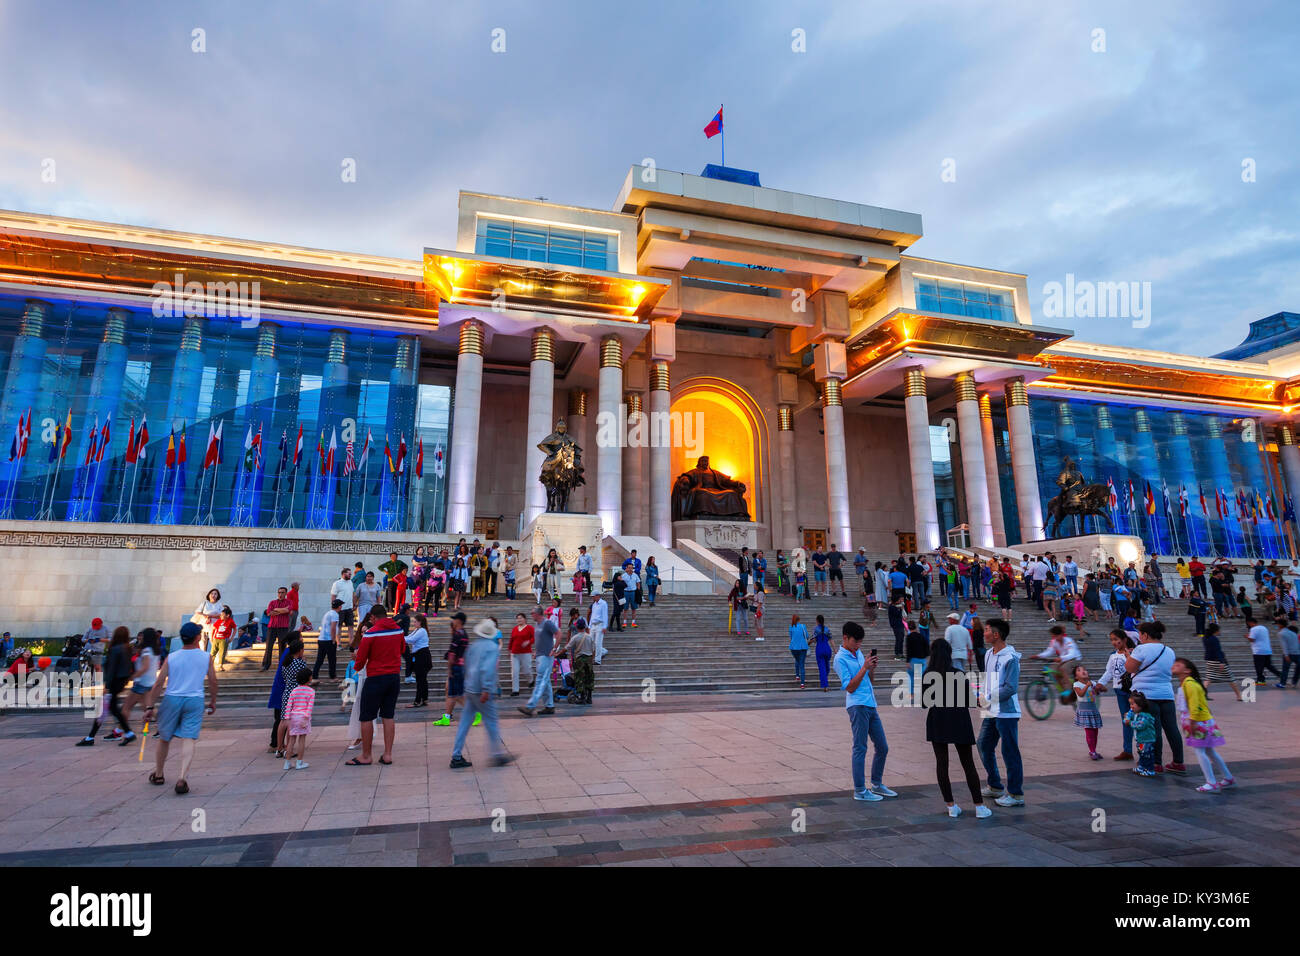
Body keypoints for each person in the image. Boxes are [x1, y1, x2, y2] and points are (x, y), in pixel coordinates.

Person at [142, 622, 217, 795]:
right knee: (189, 738)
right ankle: (182, 777)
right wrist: (213, 700)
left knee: (164, 737)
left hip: (172, 698)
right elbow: (213, 680)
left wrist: (149, 706)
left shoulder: (172, 657)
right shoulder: (206, 657)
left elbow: (159, 683)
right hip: (195, 699)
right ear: (197, 637)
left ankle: (159, 774)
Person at [922, 637, 990, 818]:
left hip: (938, 720)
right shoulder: (958, 674)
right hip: (959, 720)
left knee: (941, 764)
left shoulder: (928, 674)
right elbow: (969, 701)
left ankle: (951, 806)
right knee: (968, 763)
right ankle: (979, 807)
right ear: (949, 654)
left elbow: (923, 703)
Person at [833, 621, 896, 802]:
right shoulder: (840, 659)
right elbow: (850, 687)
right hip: (857, 705)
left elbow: (869, 680)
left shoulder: (858, 653)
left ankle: (876, 783)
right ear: (845, 638)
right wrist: (864, 668)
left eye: (860, 642)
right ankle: (860, 789)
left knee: (882, 746)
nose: (858, 645)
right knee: (860, 747)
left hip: (870, 703)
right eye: (856, 642)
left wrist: (871, 668)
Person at [1122, 620, 1186, 774]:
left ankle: (1156, 762)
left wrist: (1129, 656)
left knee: (1153, 728)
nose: (1139, 637)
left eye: (1140, 634)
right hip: (1166, 693)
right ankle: (1178, 762)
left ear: (1145, 634)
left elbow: (1130, 668)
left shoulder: (1141, 649)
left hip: (1146, 694)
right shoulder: (1169, 650)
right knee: (1171, 728)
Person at [450, 619, 514, 768]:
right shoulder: (491, 647)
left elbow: (466, 665)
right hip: (481, 690)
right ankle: (497, 754)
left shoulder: (474, 646)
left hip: (470, 688)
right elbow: (487, 669)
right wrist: (486, 688)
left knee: (465, 723)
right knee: (491, 721)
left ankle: (456, 755)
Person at [976, 618, 1024, 807]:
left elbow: (1010, 687)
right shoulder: (988, 653)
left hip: (1007, 712)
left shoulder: (1010, 658)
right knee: (983, 745)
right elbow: (989, 680)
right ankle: (995, 785)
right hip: (991, 709)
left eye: (987, 630)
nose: (984, 632)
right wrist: (980, 694)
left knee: (1009, 751)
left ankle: (1015, 793)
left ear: (996, 634)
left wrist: (989, 698)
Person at [346, 616, 405, 766]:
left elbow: (361, 658)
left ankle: (366, 755)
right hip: (393, 677)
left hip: (375, 678)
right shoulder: (398, 630)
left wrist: (356, 664)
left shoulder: (371, 633)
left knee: (366, 716)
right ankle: (388, 755)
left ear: (373, 617)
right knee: (388, 715)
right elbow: (403, 649)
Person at [1172, 658, 1234, 792]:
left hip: (1198, 722)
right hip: (1202, 720)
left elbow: (1195, 705)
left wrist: (1193, 722)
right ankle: (1227, 777)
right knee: (1210, 751)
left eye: (1178, 665)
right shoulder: (1188, 683)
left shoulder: (1189, 684)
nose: (1173, 666)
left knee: (1200, 751)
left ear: (1187, 670)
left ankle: (1211, 782)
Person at [77, 626, 136, 747]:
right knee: (113, 710)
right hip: (121, 682)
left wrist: (106, 686)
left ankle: (90, 738)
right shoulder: (127, 648)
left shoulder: (115, 649)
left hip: (113, 683)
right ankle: (128, 733)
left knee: (102, 709)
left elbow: (111, 669)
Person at [518, 605, 559, 717]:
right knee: (546, 682)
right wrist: (536, 651)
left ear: (538, 614)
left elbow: (558, 633)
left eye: (532, 613)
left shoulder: (547, 623)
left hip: (547, 656)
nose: (531, 615)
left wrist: (554, 648)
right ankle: (549, 706)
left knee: (540, 681)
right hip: (540, 655)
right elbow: (540, 639)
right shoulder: (537, 624)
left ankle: (530, 706)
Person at [272, 635, 309, 757]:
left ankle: (279, 748)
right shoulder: (299, 663)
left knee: (283, 721)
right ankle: (289, 748)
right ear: (299, 650)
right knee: (291, 722)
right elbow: (305, 677)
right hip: (297, 694)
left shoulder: (285, 663)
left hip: (287, 692)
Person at [433, 612, 470, 726]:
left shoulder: (458, 635)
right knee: (450, 691)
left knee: (456, 694)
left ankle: (474, 712)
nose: (453, 621)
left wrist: (449, 669)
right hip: (461, 666)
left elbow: (452, 654)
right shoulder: (464, 634)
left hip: (456, 667)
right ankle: (447, 717)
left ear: (459, 621)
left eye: (454, 619)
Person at [119, 629, 162, 729]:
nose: (140, 637)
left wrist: (133, 676)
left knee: (126, 707)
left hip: (141, 683)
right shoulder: (155, 650)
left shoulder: (147, 651)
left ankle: (120, 731)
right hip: (149, 682)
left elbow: (145, 667)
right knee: (148, 707)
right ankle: (162, 727)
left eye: (142, 636)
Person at [1071, 663, 1106, 760]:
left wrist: (1099, 688)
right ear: (1076, 676)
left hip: (1093, 709)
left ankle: (1094, 750)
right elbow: (1081, 694)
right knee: (1089, 732)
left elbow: (1104, 689)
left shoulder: (1093, 683)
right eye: (1079, 670)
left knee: (1095, 731)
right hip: (1084, 711)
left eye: (1084, 669)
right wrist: (1087, 685)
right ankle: (1092, 751)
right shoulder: (1076, 684)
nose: (1083, 671)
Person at [558, 616, 596, 705]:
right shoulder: (589, 637)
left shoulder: (575, 637)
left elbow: (567, 648)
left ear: (577, 627)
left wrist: (558, 653)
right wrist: (592, 659)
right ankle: (589, 697)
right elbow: (594, 649)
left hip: (580, 660)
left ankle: (582, 698)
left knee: (580, 678)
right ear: (584, 627)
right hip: (589, 659)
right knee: (589, 678)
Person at [282, 670, 314, 771]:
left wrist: (287, 718)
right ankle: (299, 762)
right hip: (303, 717)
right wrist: (306, 718)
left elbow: (288, 706)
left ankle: (287, 763)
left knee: (291, 740)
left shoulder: (294, 691)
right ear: (309, 678)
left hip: (293, 717)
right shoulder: (311, 691)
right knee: (302, 740)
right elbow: (309, 707)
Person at [261, 586, 294, 670]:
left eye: (282, 592)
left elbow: (288, 610)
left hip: (283, 627)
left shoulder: (289, 602)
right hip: (272, 627)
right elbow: (269, 613)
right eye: (279, 592)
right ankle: (265, 665)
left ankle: (282, 665)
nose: (280, 594)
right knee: (268, 646)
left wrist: (276, 610)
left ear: (286, 593)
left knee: (282, 646)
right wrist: (282, 610)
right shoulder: (272, 602)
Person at [1245, 615, 1282, 686]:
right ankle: (1281, 675)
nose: (1248, 625)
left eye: (1248, 624)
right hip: (1267, 650)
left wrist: (1247, 636)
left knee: (1259, 666)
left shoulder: (1253, 629)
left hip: (1259, 651)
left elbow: (1252, 639)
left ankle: (1260, 680)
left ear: (1250, 622)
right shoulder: (1264, 628)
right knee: (1269, 665)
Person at [405, 613, 432, 707]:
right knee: (422, 679)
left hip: (422, 656)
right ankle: (424, 699)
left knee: (421, 680)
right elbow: (408, 637)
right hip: (419, 656)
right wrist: (400, 637)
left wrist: (399, 638)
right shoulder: (418, 630)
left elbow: (411, 640)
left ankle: (418, 701)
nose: (413, 623)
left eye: (415, 621)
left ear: (420, 622)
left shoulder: (422, 631)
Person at [313, 599, 341, 679]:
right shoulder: (335, 614)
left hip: (321, 639)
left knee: (320, 659)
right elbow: (333, 627)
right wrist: (333, 639)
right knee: (332, 659)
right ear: (339, 606)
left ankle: (314, 677)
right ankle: (333, 677)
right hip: (328, 640)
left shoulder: (327, 613)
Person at [508, 613, 534, 696]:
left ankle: (531, 681)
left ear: (525, 619)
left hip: (526, 653)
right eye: (518, 618)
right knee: (514, 672)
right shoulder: (515, 629)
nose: (519, 620)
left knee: (527, 670)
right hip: (515, 653)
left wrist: (528, 642)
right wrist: (509, 649)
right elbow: (512, 639)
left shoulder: (530, 628)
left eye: (521, 618)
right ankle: (515, 690)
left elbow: (534, 637)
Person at [1277, 615, 1300, 687]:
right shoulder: (1293, 633)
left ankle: (1282, 683)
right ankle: (1294, 682)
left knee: (1285, 669)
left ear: (1280, 625)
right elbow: (1297, 643)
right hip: (1297, 653)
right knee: (1298, 668)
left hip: (1289, 653)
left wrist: (1286, 655)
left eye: (1277, 624)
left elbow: (1284, 645)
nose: (1277, 626)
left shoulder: (1281, 633)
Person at [788, 614, 809, 689]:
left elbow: (791, 637)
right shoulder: (803, 626)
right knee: (802, 664)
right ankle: (802, 683)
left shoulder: (791, 627)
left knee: (797, 660)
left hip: (793, 647)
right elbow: (807, 636)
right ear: (799, 619)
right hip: (803, 647)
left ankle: (797, 675)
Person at [589, 592, 609, 663]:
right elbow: (592, 615)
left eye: (593, 596)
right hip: (593, 625)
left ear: (597, 596)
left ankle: (597, 660)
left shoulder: (603, 603)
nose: (592, 598)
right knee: (591, 641)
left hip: (600, 624)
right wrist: (589, 626)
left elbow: (605, 615)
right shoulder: (594, 604)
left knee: (598, 642)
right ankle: (602, 651)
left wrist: (604, 626)